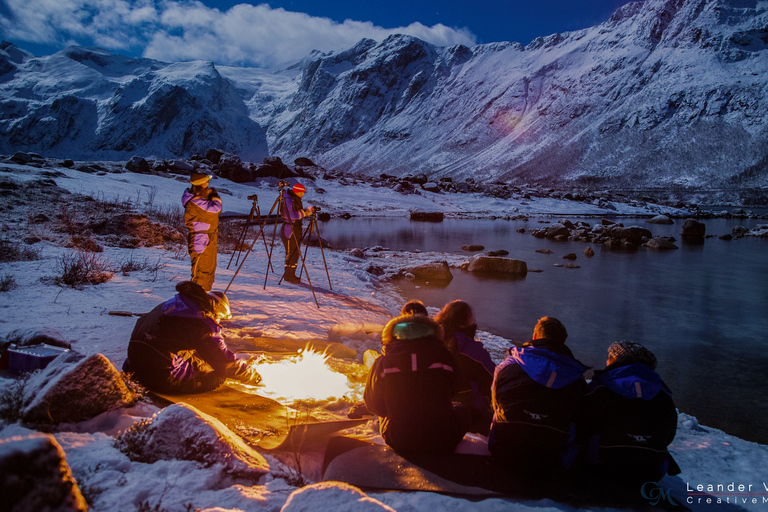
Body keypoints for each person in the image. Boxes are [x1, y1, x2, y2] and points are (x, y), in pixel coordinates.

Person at [488, 316, 587, 475]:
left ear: (535, 336)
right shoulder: (577, 379)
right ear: (562, 342)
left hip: (504, 449)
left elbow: (495, 401)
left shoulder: (509, 364)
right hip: (553, 460)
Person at [124, 281, 261, 394]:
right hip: (161, 378)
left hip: (134, 367)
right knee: (217, 374)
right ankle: (174, 382)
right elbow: (223, 362)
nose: (218, 321)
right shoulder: (201, 322)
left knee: (198, 354)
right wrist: (251, 375)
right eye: (219, 317)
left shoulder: (172, 306)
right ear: (215, 309)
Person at [364, 314, 471, 457]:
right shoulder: (445, 358)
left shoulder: (383, 362)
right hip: (442, 438)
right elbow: (455, 388)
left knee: (387, 417)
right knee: (462, 410)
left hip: (398, 439)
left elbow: (373, 404)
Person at [577, 341, 679, 487]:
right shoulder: (663, 394)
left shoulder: (601, 387)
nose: (606, 362)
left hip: (603, 465)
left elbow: (581, 426)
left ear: (615, 361)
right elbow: (669, 435)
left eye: (608, 358)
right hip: (652, 470)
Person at [434, 300, 495, 435]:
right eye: (471, 317)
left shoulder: (431, 341)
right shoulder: (472, 351)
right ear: (463, 323)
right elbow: (495, 379)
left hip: (434, 404)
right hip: (467, 412)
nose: (474, 320)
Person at [182, 173, 222, 292]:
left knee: (208, 268)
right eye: (206, 180)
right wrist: (215, 197)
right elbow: (215, 209)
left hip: (206, 236)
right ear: (201, 183)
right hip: (201, 237)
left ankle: (204, 295)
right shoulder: (195, 202)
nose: (208, 182)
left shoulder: (198, 198)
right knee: (202, 269)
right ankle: (196, 297)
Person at [279, 182, 314, 283]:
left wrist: (306, 212)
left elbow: (295, 214)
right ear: (297, 192)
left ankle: (291, 274)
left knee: (295, 253)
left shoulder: (293, 199)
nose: (303, 195)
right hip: (290, 230)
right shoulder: (289, 200)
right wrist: (305, 211)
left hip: (295, 228)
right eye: (302, 192)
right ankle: (288, 276)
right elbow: (292, 216)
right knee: (291, 253)